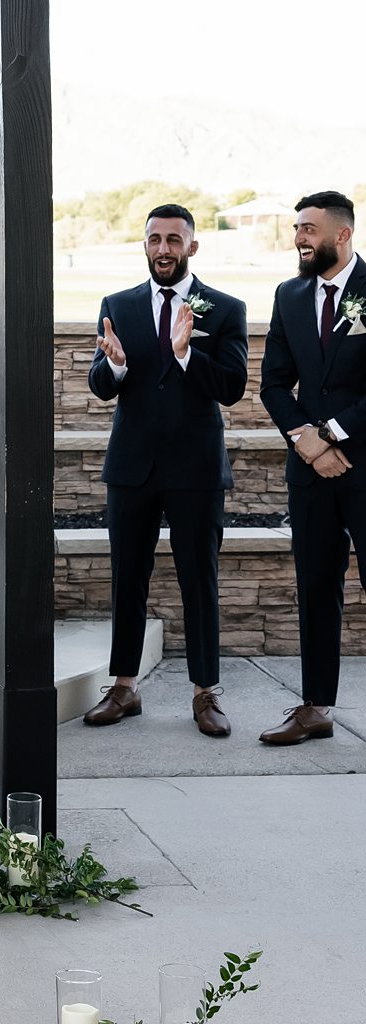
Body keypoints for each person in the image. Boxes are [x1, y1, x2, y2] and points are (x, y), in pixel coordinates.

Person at [83, 203, 248, 737]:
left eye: (174, 240)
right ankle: (124, 686)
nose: (163, 249)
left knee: (199, 580)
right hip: (131, 466)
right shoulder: (119, 306)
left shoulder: (224, 308)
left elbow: (232, 387)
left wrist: (185, 356)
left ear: (192, 246)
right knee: (127, 578)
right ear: (145, 244)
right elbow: (101, 385)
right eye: (155, 239)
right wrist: (115, 364)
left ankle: (205, 693)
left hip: (195, 469)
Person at [258, 190, 366, 745]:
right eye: (297, 228)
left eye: (308, 229)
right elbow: (273, 382)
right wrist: (306, 441)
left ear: (342, 235)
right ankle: (315, 708)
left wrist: (332, 435)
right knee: (316, 587)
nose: (299, 238)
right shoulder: (289, 295)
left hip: (364, 464)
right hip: (310, 471)